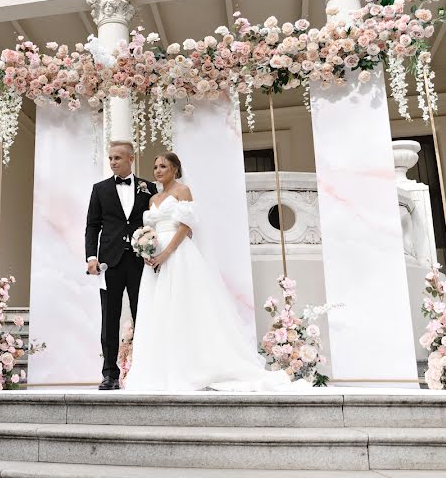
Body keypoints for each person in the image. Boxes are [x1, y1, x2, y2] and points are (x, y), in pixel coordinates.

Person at [124, 152, 310, 391]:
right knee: (159, 309)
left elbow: (185, 227)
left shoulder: (182, 191)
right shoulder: (153, 199)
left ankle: (192, 366)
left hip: (177, 255)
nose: (158, 170)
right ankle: (162, 368)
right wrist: (147, 249)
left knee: (182, 305)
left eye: (163, 166)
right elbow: (150, 228)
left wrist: (166, 253)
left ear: (175, 170)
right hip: (155, 264)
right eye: (155, 166)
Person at [85, 141, 158, 390]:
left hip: (140, 262)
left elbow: (156, 221)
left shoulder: (149, 187)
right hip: (109, 262)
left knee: (144, 316)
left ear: (131, 158)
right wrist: (91, 258)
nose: (113, 162)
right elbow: (92, 226)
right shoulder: (100, 189)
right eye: (110, 158)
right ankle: (110, 374)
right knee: (110, 319)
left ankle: (147, 370)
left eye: (117, 158)